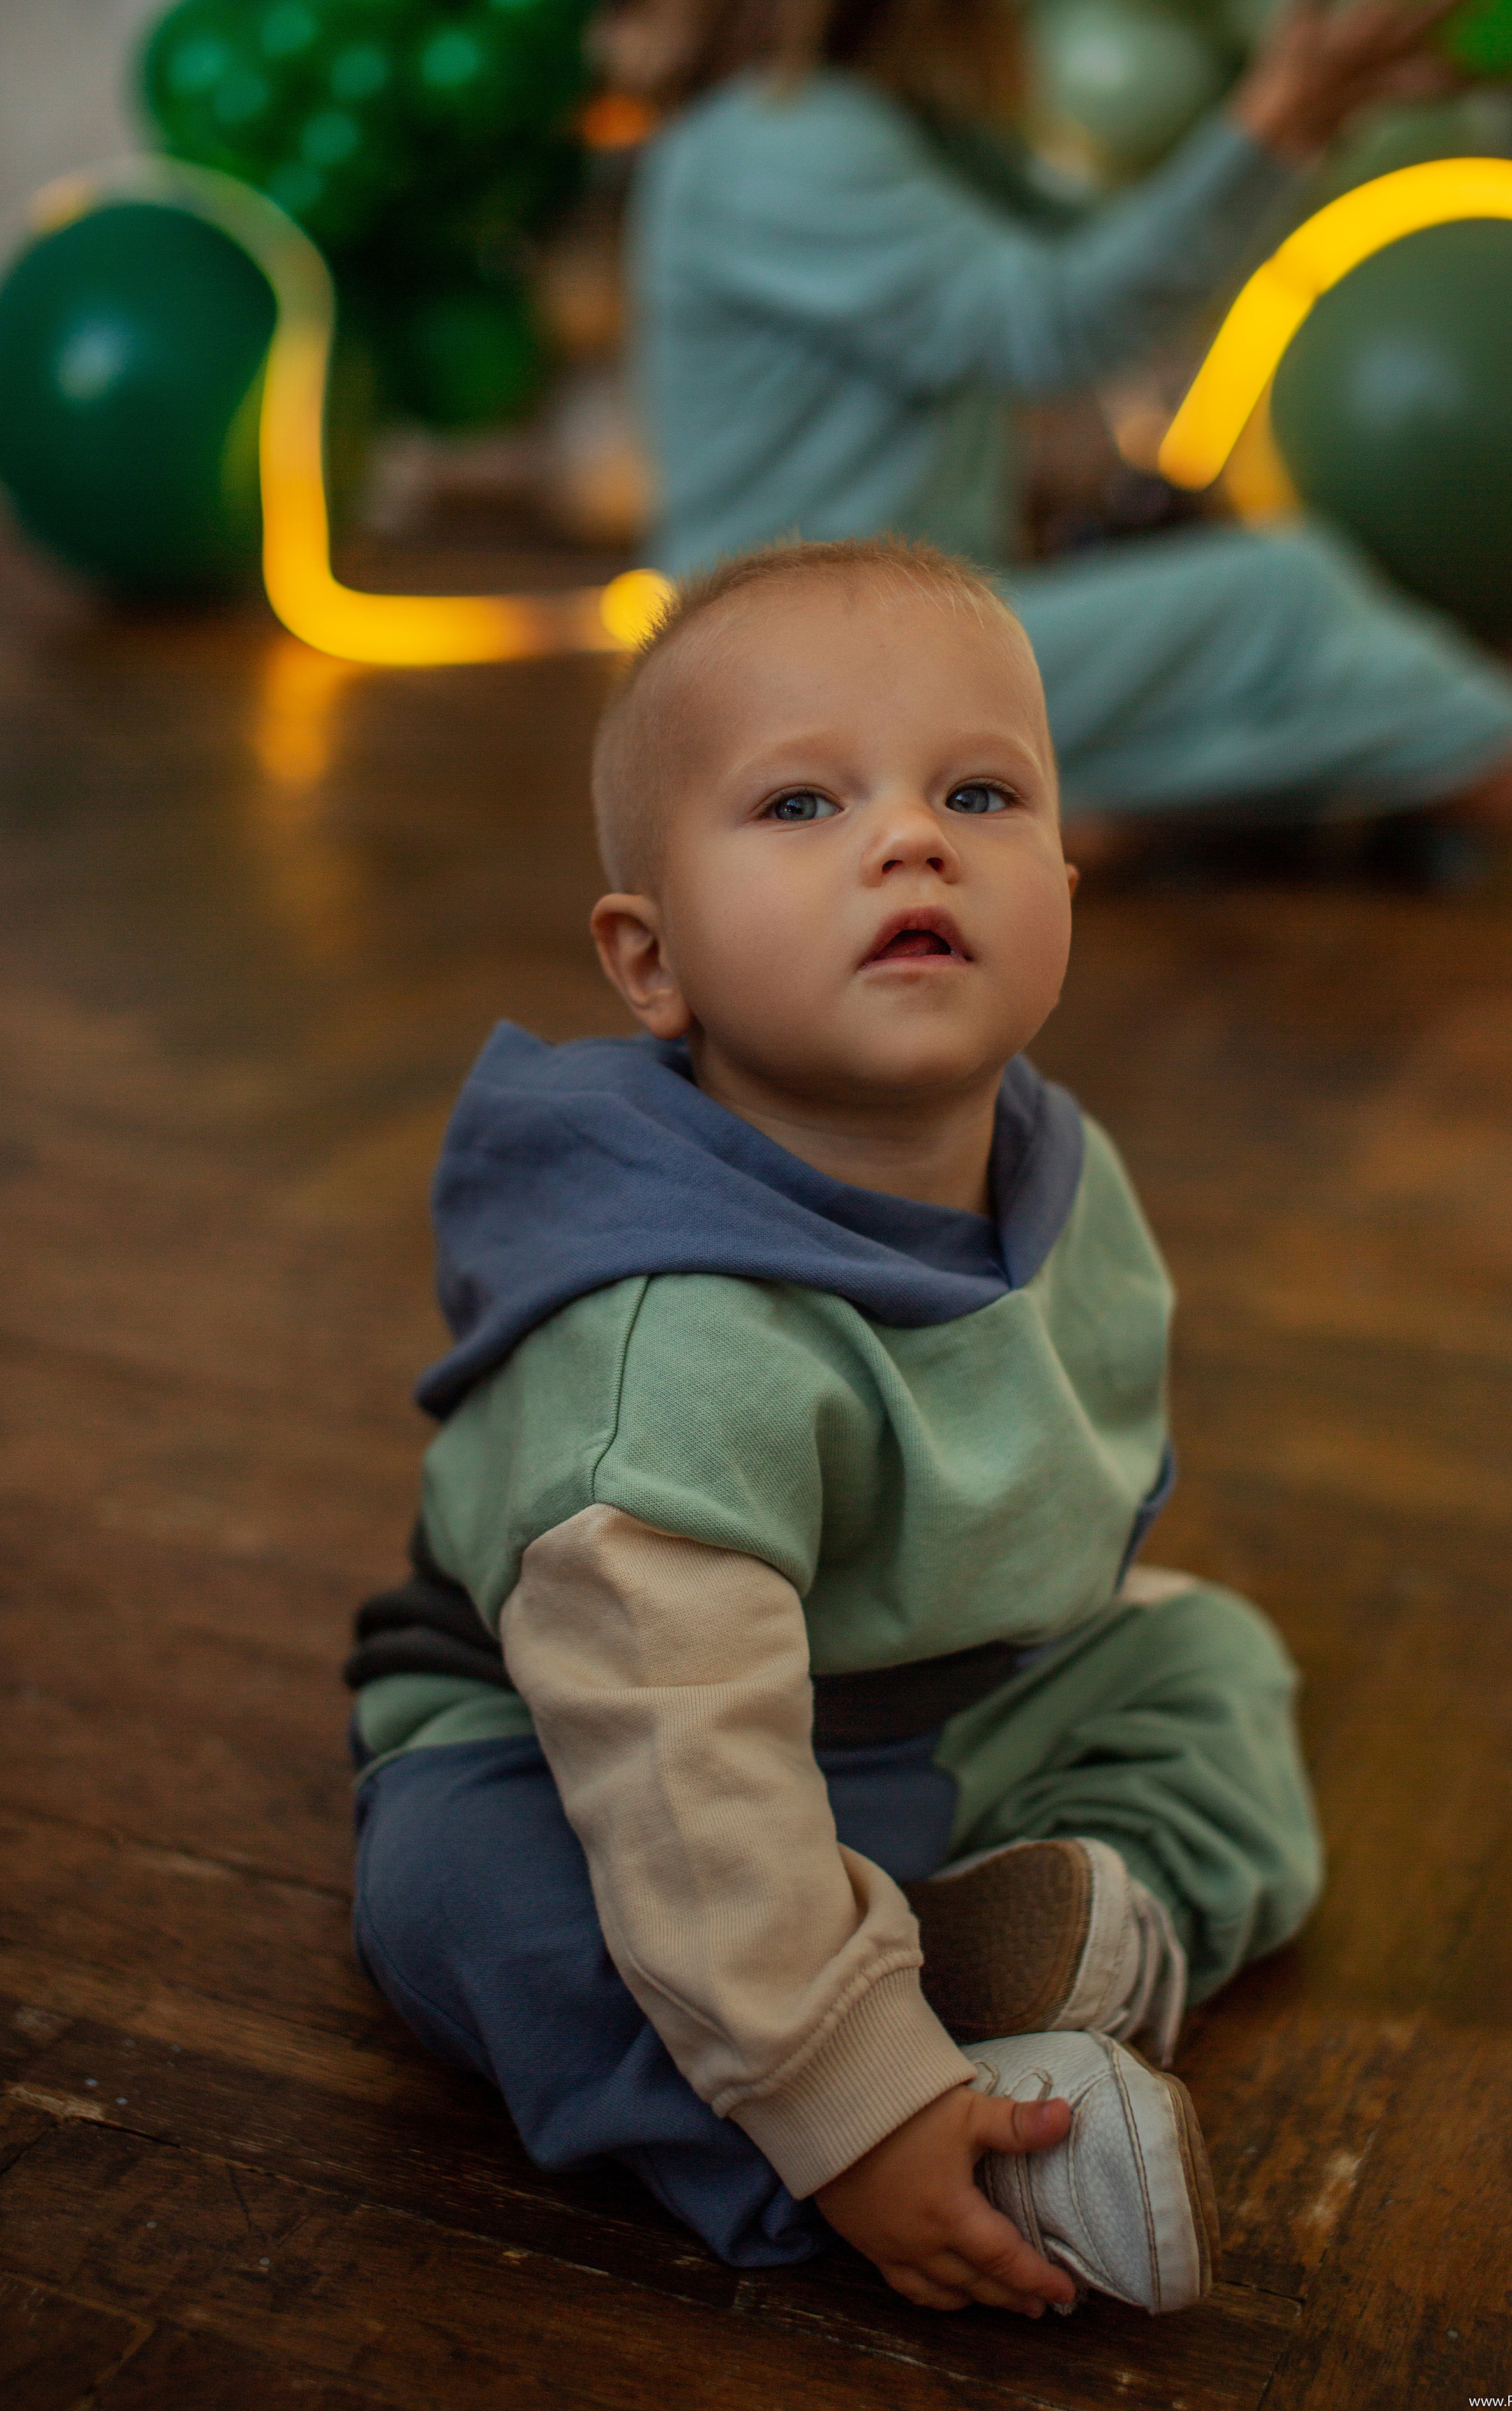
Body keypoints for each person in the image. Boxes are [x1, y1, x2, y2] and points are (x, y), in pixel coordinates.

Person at [345, 536, 1322, 2317]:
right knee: (470, 1907)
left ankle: (1084, 1933)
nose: (910, 837)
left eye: (979, 791)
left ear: (1066, 888)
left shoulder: (1059, 1163)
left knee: (1218, 1669)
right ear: (653, 963)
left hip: (935, 1692)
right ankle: (890, 2160)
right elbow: (688, 1775)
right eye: (803, 802)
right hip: (595, 1744)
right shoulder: (664, 1348)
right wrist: (840, 2102)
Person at [617, 0, 1512, 850]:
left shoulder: (855, 127)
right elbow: (1059, 324)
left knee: (1235, 670)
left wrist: (1315, 116)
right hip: (796, 668)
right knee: (1282, 599)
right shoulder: (780, 140)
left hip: (872, 639)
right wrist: (1282, 115)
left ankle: (1054, 819)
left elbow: (1123, 255)